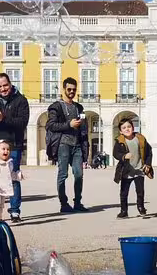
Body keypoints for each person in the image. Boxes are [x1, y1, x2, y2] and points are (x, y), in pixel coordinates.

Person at [0, 73, 30, 223]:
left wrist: (4, 118)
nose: (3, 89)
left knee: (13, 176)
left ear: (10, 83)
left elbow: (23, 122)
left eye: (5, 85)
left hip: (13, 144)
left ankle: (15, 211)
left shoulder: (21, 100)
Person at [46, 77, 90, 213]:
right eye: (69, 89)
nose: (71, 91)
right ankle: (63, 203)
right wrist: (69, 124)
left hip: (77, 145)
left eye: (74, 89)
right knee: (63, 174)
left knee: (78, 174)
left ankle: (78, 202)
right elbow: (50, 125)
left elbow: (83, 129)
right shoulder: (56, 106)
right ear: (64, 89)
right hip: (63, 144)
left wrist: (85, 148)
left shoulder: (79, 107)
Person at [113, 117, 153, 219]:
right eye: (124, 128)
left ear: (133, 127)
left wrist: (147, 165)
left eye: (129, 127)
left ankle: (141, 207)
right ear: (121, 131)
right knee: (123, 193)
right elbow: (115, 153)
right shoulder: (119, 141)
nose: (127, 129)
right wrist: (123, 156)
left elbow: (149, 152)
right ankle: (123, 211)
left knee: (140, 191)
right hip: (126, 172)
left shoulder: (140, 139)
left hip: (139, 170)